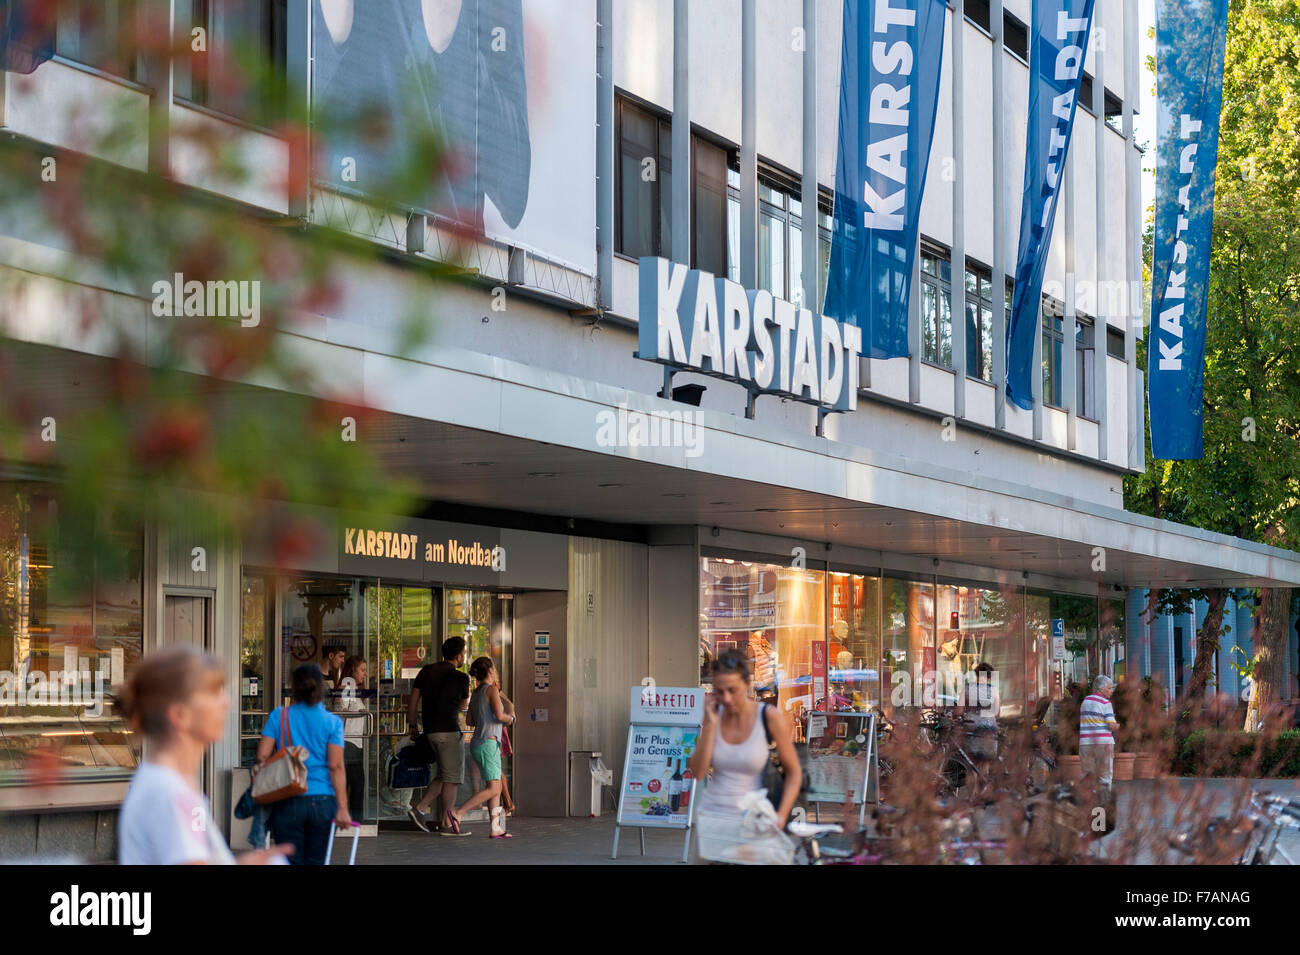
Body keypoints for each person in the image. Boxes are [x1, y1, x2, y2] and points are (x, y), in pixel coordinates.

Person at [117, 646, 291, 865]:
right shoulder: (169, 792)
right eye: (213, 692)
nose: (227, 703)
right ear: (180, 715)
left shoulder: (169, 782)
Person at [689, 650, 802, 828]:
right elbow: (698, 772)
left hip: (754, 823)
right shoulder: (713, 715)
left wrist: (781, 815)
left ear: (747, 684)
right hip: (713, 821)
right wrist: (709, 725)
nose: (726, 698)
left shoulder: (767, 716)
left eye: (732, 690)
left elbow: (794, 772)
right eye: (719, 691)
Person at [257, 664, 351, 865]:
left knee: (289, 860)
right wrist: (342, 808)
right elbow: (336, 766)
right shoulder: (332, 722)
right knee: (317, 861)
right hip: (324, 800)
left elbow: (262, 755)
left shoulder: (279, 716)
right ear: (320, 687)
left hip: (287, 797)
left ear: (294, 688)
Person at [407, 637, 472, 834]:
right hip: (449, 732)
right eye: (463, 653)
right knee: (452, 778)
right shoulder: (461, 678)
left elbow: (414, 699)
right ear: (459, 655)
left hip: (430, 732)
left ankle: (419, 808)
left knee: (444, 775)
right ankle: (446, 823)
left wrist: (412, 725)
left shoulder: (427, 671)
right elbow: (463, 706)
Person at [453, 656, 517, 837]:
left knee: (494, 784)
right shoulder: (490, 690)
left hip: (481, 742)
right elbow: (499, 715)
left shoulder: (478, 691)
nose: (495, 671)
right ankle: (459, 813)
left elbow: (470, 720)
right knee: (493, 788)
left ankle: (495, 827)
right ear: (490, 670)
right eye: (494, 668)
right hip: (488, 743)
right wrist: (511, 719)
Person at [337, 655, 369, 820]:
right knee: (355, 784)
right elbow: (341, 709)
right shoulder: (347, 685)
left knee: (353, 784)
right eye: (362, 670)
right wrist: (360, 713)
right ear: (352, 670)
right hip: (348, 741)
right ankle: (356, 822)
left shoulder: (354, 689)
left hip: (355, 742)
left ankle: (351, 820)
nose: (365, 674)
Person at [1079, 674, 1120, 789]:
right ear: (1101, 689)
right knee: (1105, 776)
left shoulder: (1085, 701)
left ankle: (1087, 803)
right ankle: (1103, 803)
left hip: (1086, 743)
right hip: (1103, 744)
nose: (1111, 691)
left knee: (1087, 775)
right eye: (1109, 688)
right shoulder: (1106, 703)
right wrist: (1118, 725)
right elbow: (1111, 726)